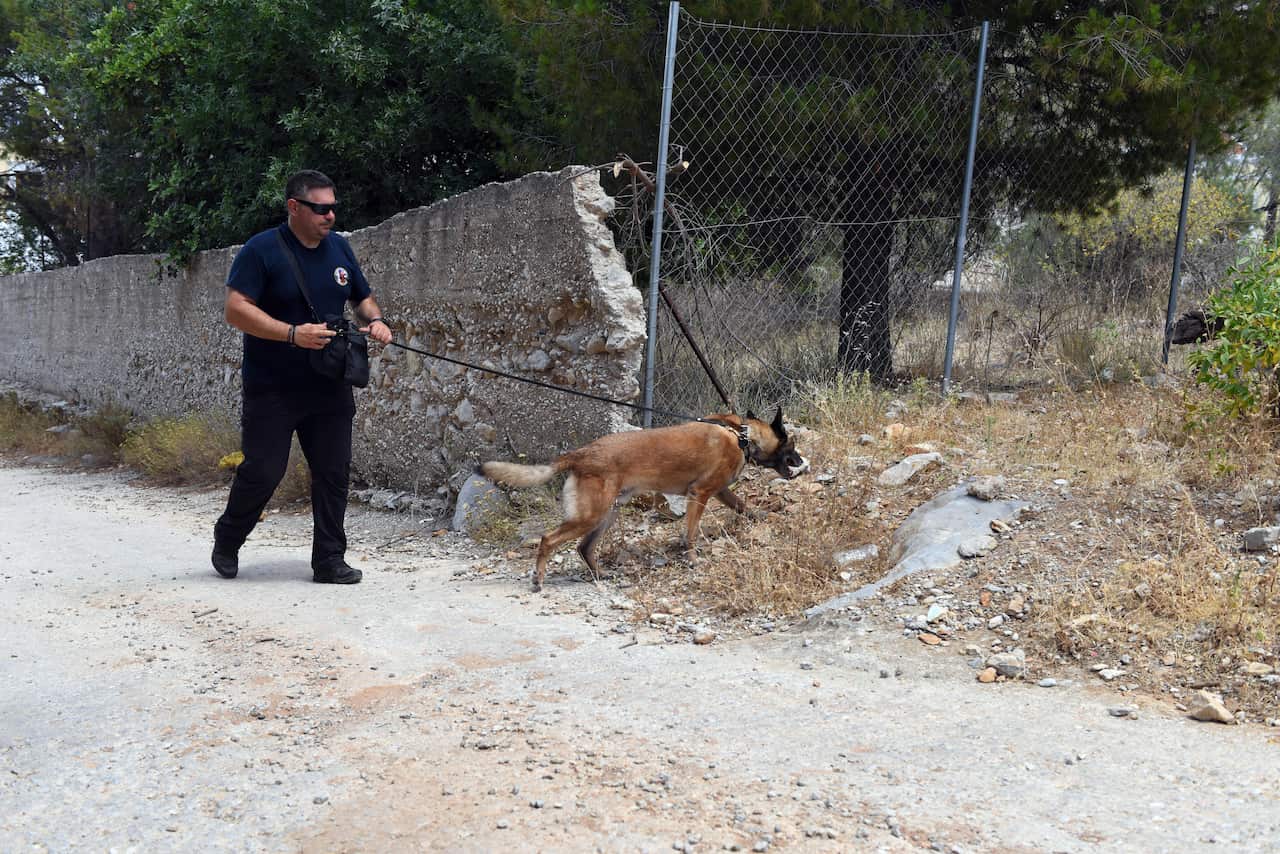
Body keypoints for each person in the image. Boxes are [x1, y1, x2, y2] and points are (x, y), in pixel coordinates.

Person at [211, 170, 394, 583]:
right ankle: (228, 536)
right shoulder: (261, 251)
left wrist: (377, 320)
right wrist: (292, 334)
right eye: (321, 208)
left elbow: (361, 297)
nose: (330, 216)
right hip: (272, 385)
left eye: (333, 208)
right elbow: (235, 308)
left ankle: (329, 560)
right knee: (264, 470)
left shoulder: (340, 249)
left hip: (329, 382)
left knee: (333, 471)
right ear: (295, 207)